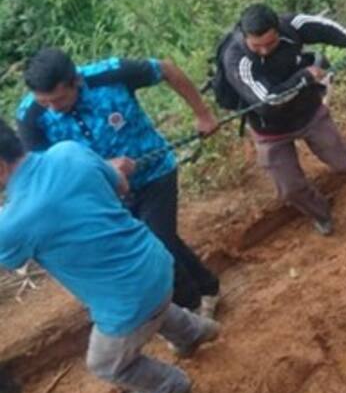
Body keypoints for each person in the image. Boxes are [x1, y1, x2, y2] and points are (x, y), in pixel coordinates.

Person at [0, 123, 219, 393]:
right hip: (155, 259)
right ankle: (194, 332)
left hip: (129, 299)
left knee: (104, 364)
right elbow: (122, 186)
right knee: (152, 305)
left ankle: (171, 387)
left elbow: (12, 261)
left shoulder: (11, 224)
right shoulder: (69, 150)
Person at [17, 49, 222, 318]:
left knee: (156, 242)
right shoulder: (30, 117)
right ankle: (208, 288)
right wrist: (100, 168)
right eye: (45, 103)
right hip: (105, 194)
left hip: (154, 172)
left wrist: (203, 114)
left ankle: (190, 307)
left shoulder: (111, 74)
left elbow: (167, 69)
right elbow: (45, 171)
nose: (53, 108)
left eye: (59, 99)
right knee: (154, 239)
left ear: (75, 81)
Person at [221, 4, 346, 236]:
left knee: (344, 160)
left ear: (278, 29)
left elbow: (327, 28)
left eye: (270, 43)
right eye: (257, 46)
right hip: (270, 130)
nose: (265, 51)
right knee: (289, 188)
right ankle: (321, 214)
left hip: (308, 112)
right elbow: (268, 102)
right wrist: (304, 76)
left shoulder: (292, 26)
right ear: (245, 35)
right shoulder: (237, 60)